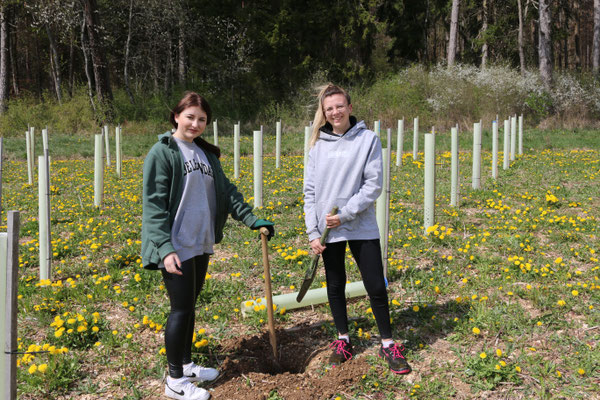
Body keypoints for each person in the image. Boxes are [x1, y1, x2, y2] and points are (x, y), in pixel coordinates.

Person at [141, 92, 274, 400]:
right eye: (190, 117)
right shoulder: (163, 152)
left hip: (199, 242)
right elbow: (154, 205)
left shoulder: (205, 154)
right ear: (176, 116)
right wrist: (164, 247)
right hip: (175, 244)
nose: (195, 124)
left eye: (202, 119)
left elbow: (227, 193)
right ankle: (175, 381)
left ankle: (185, 365)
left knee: (189, 308)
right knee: (180, 309)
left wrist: (252, 219)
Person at [303, 84, 411, 375]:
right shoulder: (317, 146)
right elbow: (310, 192)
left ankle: (388, 343)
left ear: (350, 107)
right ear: (324, 114)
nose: (335, 112)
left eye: (339, 106)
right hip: (328, 230)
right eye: (329, 109)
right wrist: (313, 232)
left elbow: (373, 185)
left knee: (375, 285)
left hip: (359, 226)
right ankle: (343, 340)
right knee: (335, 284)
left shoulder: (367, 140)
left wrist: (347, 214)